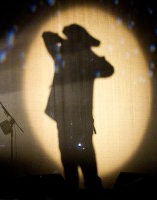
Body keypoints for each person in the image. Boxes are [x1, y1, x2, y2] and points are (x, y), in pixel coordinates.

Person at [42, 24, 114, 190]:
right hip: (65, 118)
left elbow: (108, 69)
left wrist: (85, 51)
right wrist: (64, 41)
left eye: (72, 38)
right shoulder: (63, 59)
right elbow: (47, 36)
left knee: (86, 160)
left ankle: (90, 188)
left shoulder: (86, 60)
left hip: (80, 119)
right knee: (69, 162)